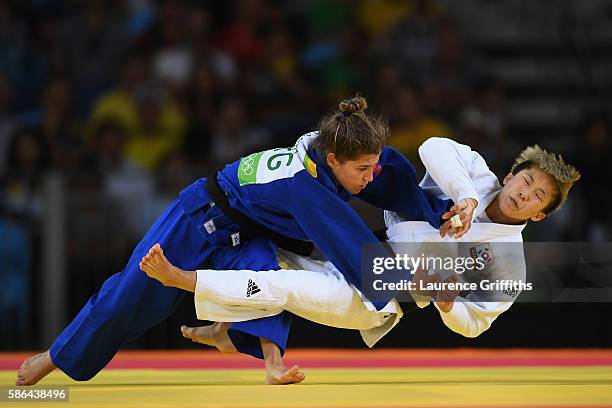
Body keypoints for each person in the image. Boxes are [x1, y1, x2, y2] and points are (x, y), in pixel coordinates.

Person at [17, 97, 452, 386]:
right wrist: (415, 286)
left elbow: (392, 172)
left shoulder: (342, 155)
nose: (371, 175)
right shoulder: (305, 185)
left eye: (372, 164)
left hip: (250, 230)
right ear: (334, 159)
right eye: (363, 169)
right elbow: (356, 250)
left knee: (268, 275)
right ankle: (53, 358)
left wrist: (440, 211)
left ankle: (264, 358)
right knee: (129, 299)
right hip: (199, 218)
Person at [139, 137, 580, 360]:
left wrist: (448, 306)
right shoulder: (477, 177)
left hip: (384, 297)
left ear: (539, 214)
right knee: (265, 245)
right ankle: (228, 330)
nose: (526, 193)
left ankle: (183, 279)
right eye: (526, 181)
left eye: (538, 196)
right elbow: (432, 147)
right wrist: (464, 196)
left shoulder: (507, 264)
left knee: (286, 287)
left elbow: (475, 325)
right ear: (510, 176)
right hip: (359, 251)